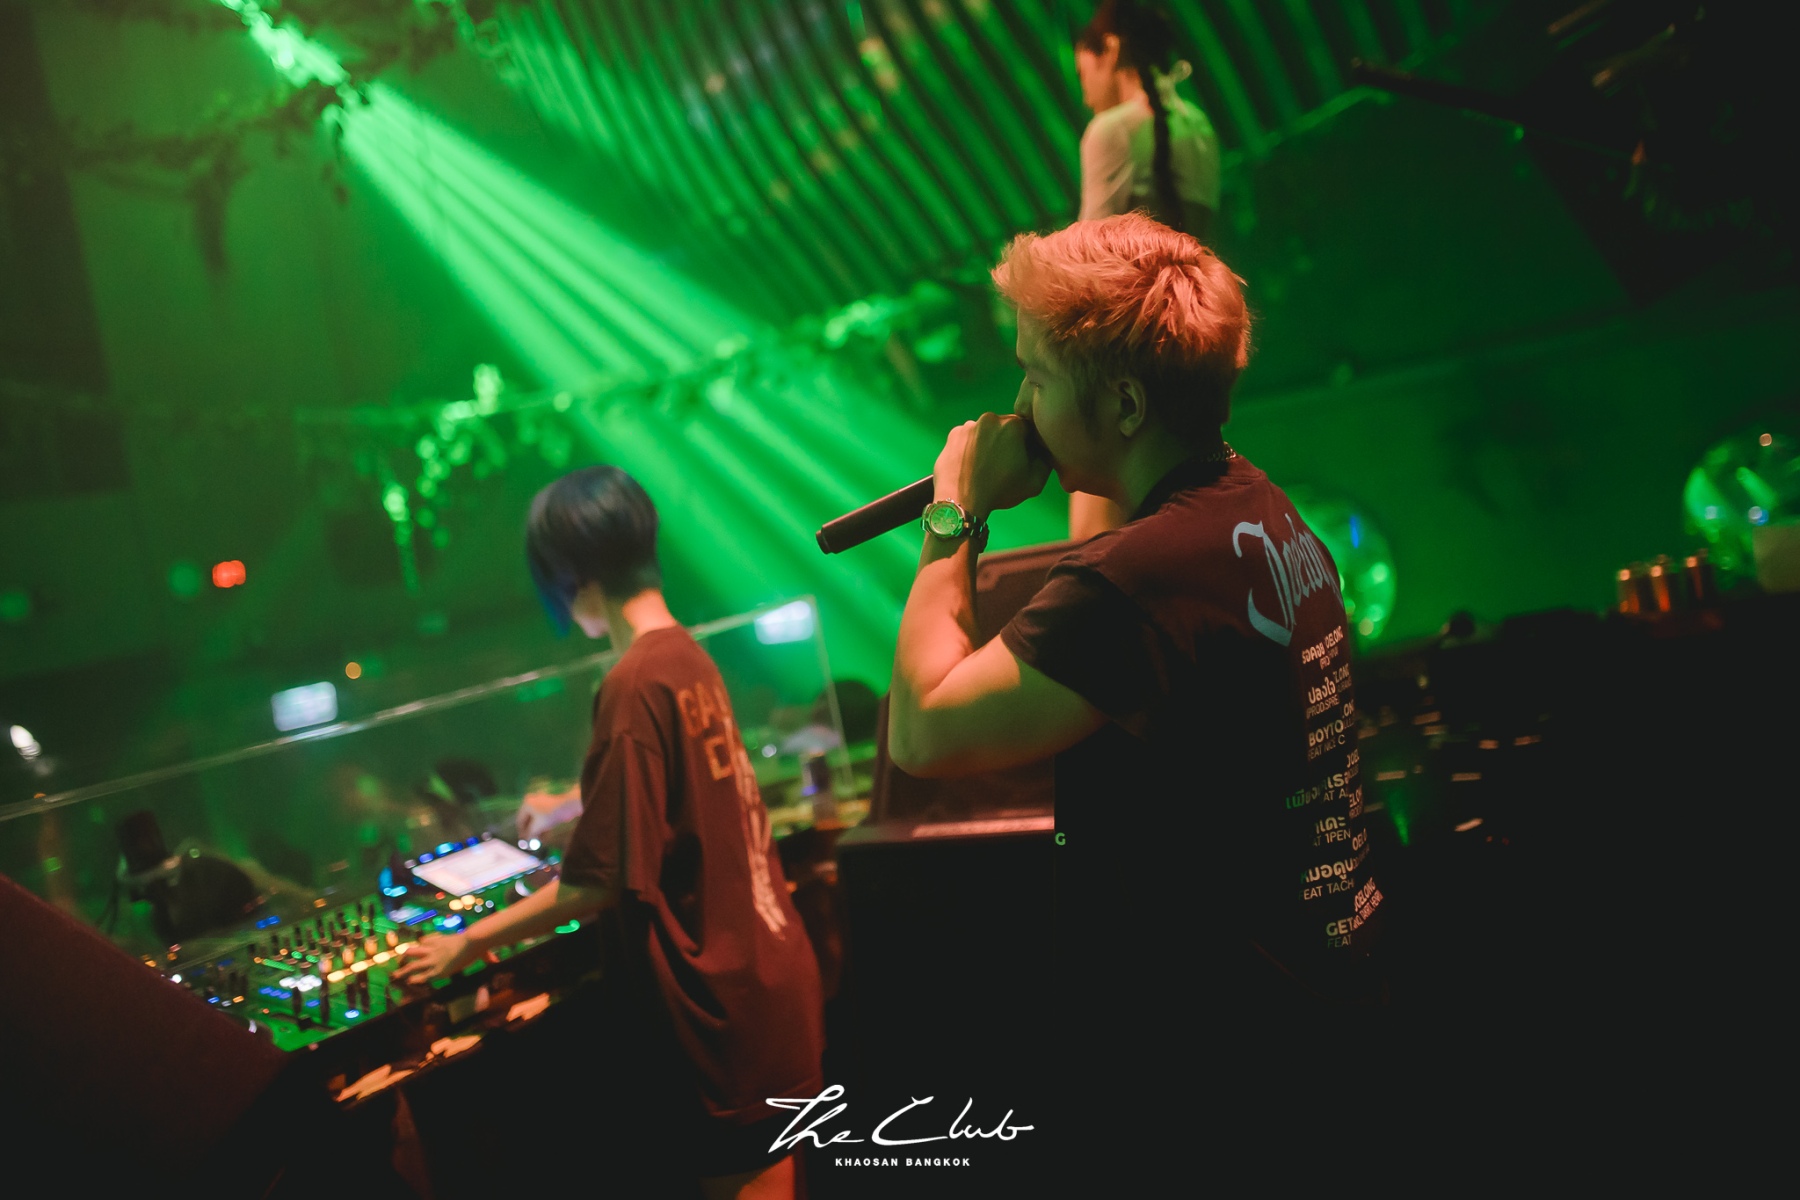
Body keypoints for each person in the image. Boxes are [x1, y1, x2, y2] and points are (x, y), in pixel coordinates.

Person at [887, 214, 1380, 1174]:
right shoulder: (1260, 510)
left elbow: (922, 729)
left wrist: (955, 514)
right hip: (1319, 1002)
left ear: (1122, 403)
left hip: (1220, 1071)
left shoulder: (1137, 580)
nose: (1017, 407)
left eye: (1035, 377)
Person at [394, 466, 825, 1200]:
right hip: (770, 987)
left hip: (722, 1021)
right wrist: (573, 801)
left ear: (569, 574)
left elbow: (595, 884)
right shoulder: (685, 654)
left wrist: (463, 942)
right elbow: (690, 787)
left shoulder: (631, 682)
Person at [1069, 0, 1224, 541]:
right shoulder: (1201, 129)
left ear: (1110, 50)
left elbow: (1087, 265)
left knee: (1098, 540)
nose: (1084, 93)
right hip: (1189, 358)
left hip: (1118, 363)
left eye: (1083, 73)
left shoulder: (1110, 131)